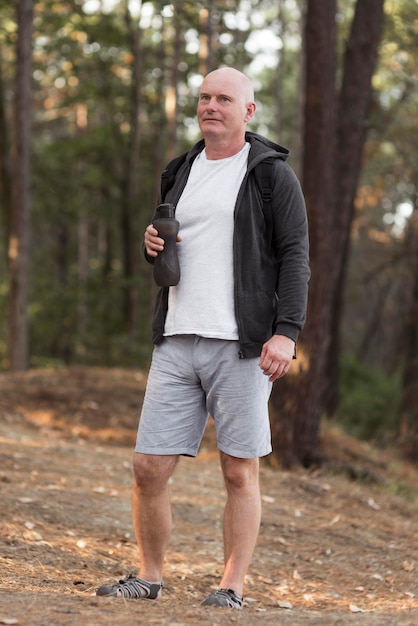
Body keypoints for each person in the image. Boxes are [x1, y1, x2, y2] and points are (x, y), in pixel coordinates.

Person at [96, 67, 310, 609]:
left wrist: (286, 333)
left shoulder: (270, 176)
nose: (211, 106)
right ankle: (148, 576)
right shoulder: (181, 170)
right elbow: (176, 242)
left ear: (248, 111)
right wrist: (152, 241)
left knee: (238, 471)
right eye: (205, 97)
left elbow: (295, 257)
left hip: (241, 343)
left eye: (224, 99)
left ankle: (231, 586)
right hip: (175, 337)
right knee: (148, 468)